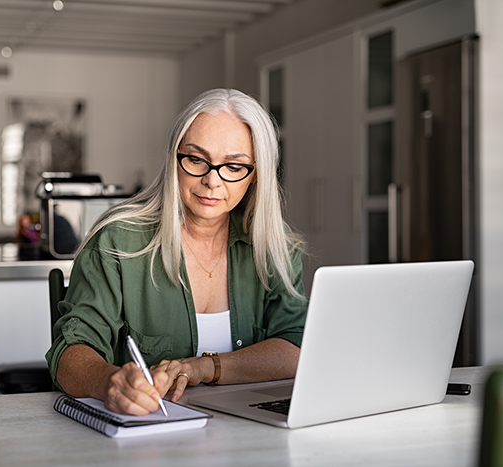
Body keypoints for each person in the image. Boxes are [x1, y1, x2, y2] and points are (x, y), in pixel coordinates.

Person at [45, 88, 308, 416]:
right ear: (174, 159)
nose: (212, 181)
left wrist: (204, 368)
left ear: (255, 176)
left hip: (252, 431)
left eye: (234, 166)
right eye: (197, 159)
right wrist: (107, 382)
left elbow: (296, 348)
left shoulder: (275, 247)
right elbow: (70, 353)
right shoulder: (116, 241)